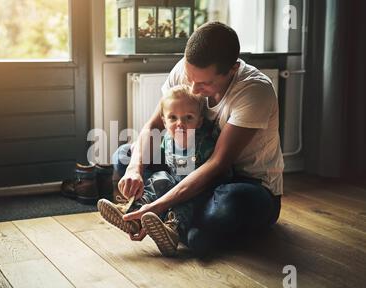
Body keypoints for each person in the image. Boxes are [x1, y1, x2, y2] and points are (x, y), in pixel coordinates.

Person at [114, 21, 284, 256]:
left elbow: (217, 164)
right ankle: (177, 222)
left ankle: (165, 216)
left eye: (204, 83)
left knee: (227, 205)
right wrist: (134, 168)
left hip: (243, 184)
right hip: (188, 167)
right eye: (190, 77)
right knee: (124, 156)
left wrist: (160, 204)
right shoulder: (186, 70)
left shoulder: (255, 90)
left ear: (232, 70)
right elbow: (153, 125)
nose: (193, 88)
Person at [98, 85, 224, 256]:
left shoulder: (205, 143)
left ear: (199, 121)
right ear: (164, 121)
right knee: (159, 178)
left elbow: (217, 173)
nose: (180, 124)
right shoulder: (167, 139)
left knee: (187, 202)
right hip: (175, 184)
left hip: (198, 190)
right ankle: (134, 215)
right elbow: (161, 160)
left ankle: (172, 229)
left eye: (188, 117)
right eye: (173, 118)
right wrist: (138, 155)